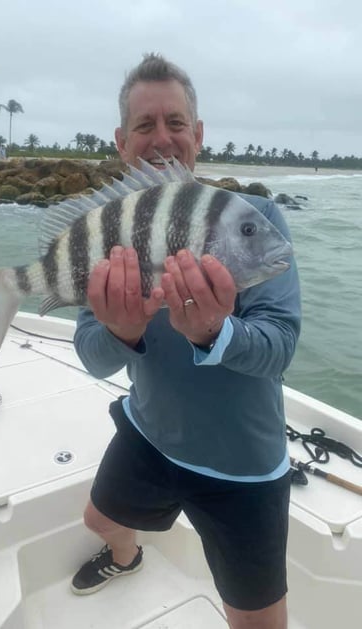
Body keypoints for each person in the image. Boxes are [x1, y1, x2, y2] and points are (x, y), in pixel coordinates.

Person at [72, 53, 301, 629]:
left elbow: (279, 345)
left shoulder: (252, 221)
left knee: (258, 622)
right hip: (149, 434)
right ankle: (126, 557)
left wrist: (214, 331)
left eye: (175, 122)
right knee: (99, 520)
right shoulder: (107, 233)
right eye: (145, 126)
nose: (162, 138)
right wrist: (121, 331)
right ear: (122, 142)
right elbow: (92, 359)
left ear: (197, 134)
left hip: (242, 469)